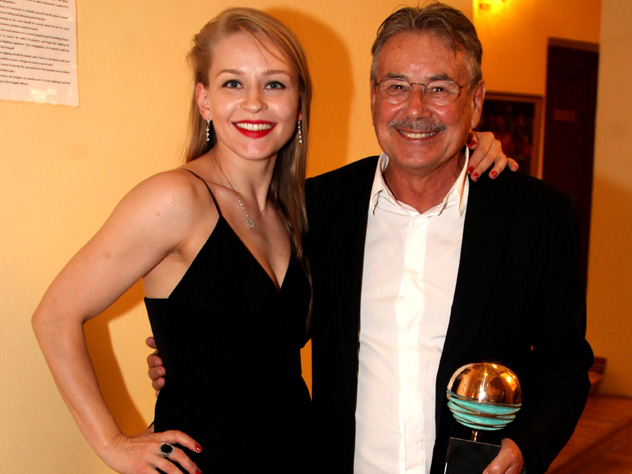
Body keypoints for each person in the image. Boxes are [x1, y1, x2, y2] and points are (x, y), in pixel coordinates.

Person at [304, 4, 593, 474]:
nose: (416, 109)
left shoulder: (537, 217)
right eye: (397, 86)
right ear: (374, 96)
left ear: (475, 101)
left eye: (439, 88)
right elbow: (264, 336)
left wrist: (524, 447)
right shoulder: (318, 208)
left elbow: (565, 364)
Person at [32, 8, 315, 474]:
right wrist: (112, 444)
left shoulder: (296, 212)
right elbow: (55, 316)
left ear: (299, 103)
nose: (254, 103)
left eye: (274, 84)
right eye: (233, 83)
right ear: (204, 100)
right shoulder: (177, 198)